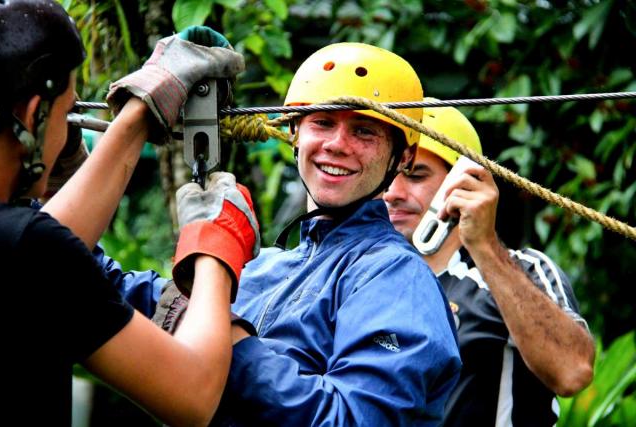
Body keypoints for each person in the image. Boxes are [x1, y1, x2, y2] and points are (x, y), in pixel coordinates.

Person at [158, 43, 462, 426]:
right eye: (323, 122)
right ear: (293, 132)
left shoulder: (396, 278)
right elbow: (96, 291)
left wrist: (223, 332)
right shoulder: (263, 270)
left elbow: (351, 419)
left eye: (364, 131)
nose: (337, 144)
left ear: (403, 158)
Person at [0, 1, 258, 425]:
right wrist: (214, 246)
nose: (70, 130)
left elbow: (28, 264)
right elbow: (193, 392)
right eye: (68, 113)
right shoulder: (31, 249)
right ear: (32, 115)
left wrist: (137, 117)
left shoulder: (23, 250)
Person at [383, 101, 596, 426]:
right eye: (387, 175)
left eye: (415, 174)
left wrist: (484, 245)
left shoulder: (524, 269)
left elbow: (573, 372)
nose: (392, 193)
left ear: (461, 183)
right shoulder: (365, 280)